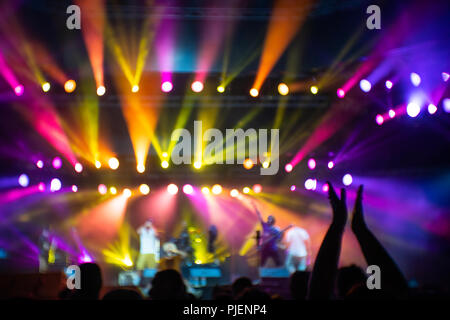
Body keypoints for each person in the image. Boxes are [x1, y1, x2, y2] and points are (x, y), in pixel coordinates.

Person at [252, 202, 282, 267]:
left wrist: (274, 235)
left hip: (272, 248)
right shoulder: (265, 226)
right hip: (264, 248)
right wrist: (255, 208)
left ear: (273, 221)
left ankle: (279, 275)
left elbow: (279, 238)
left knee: (278, 263)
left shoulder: (276, 229)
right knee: (262, 263)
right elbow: (260, 217)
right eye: (268, 218)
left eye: (270, 219)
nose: (268, 220)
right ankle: (260, 275)